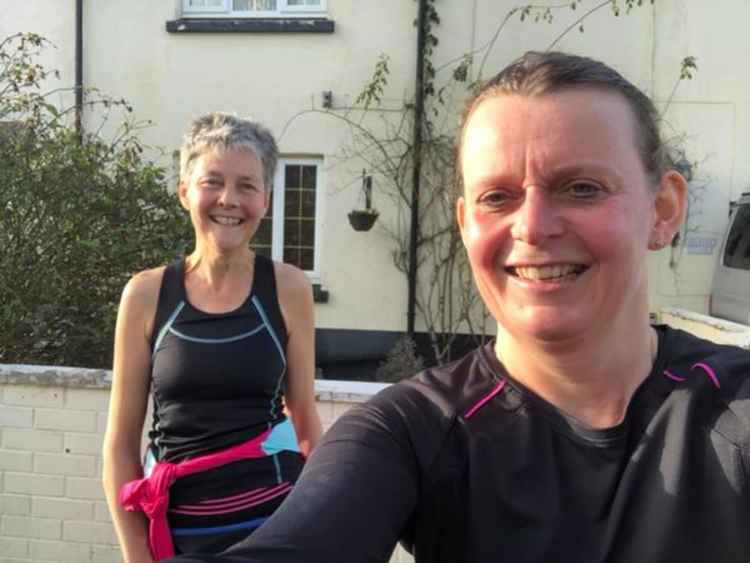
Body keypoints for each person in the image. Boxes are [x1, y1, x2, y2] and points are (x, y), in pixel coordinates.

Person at [168, 53, 750, 563]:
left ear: (664, 209)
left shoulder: (733, 407)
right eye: (498, 197)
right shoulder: (407, 430)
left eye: (582, 188)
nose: (533, 226)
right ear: (466, 222)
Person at [102, 112, 323, 562]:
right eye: (212, 182)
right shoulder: (146, 294)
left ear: (265, 199)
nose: (229, 199)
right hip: (178, 536)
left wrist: (322, 526)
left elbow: (304, 421)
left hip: (275, 533)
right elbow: (121, 445)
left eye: (247, 185)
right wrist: (136, 555)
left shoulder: (289, 288)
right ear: (185, 192)